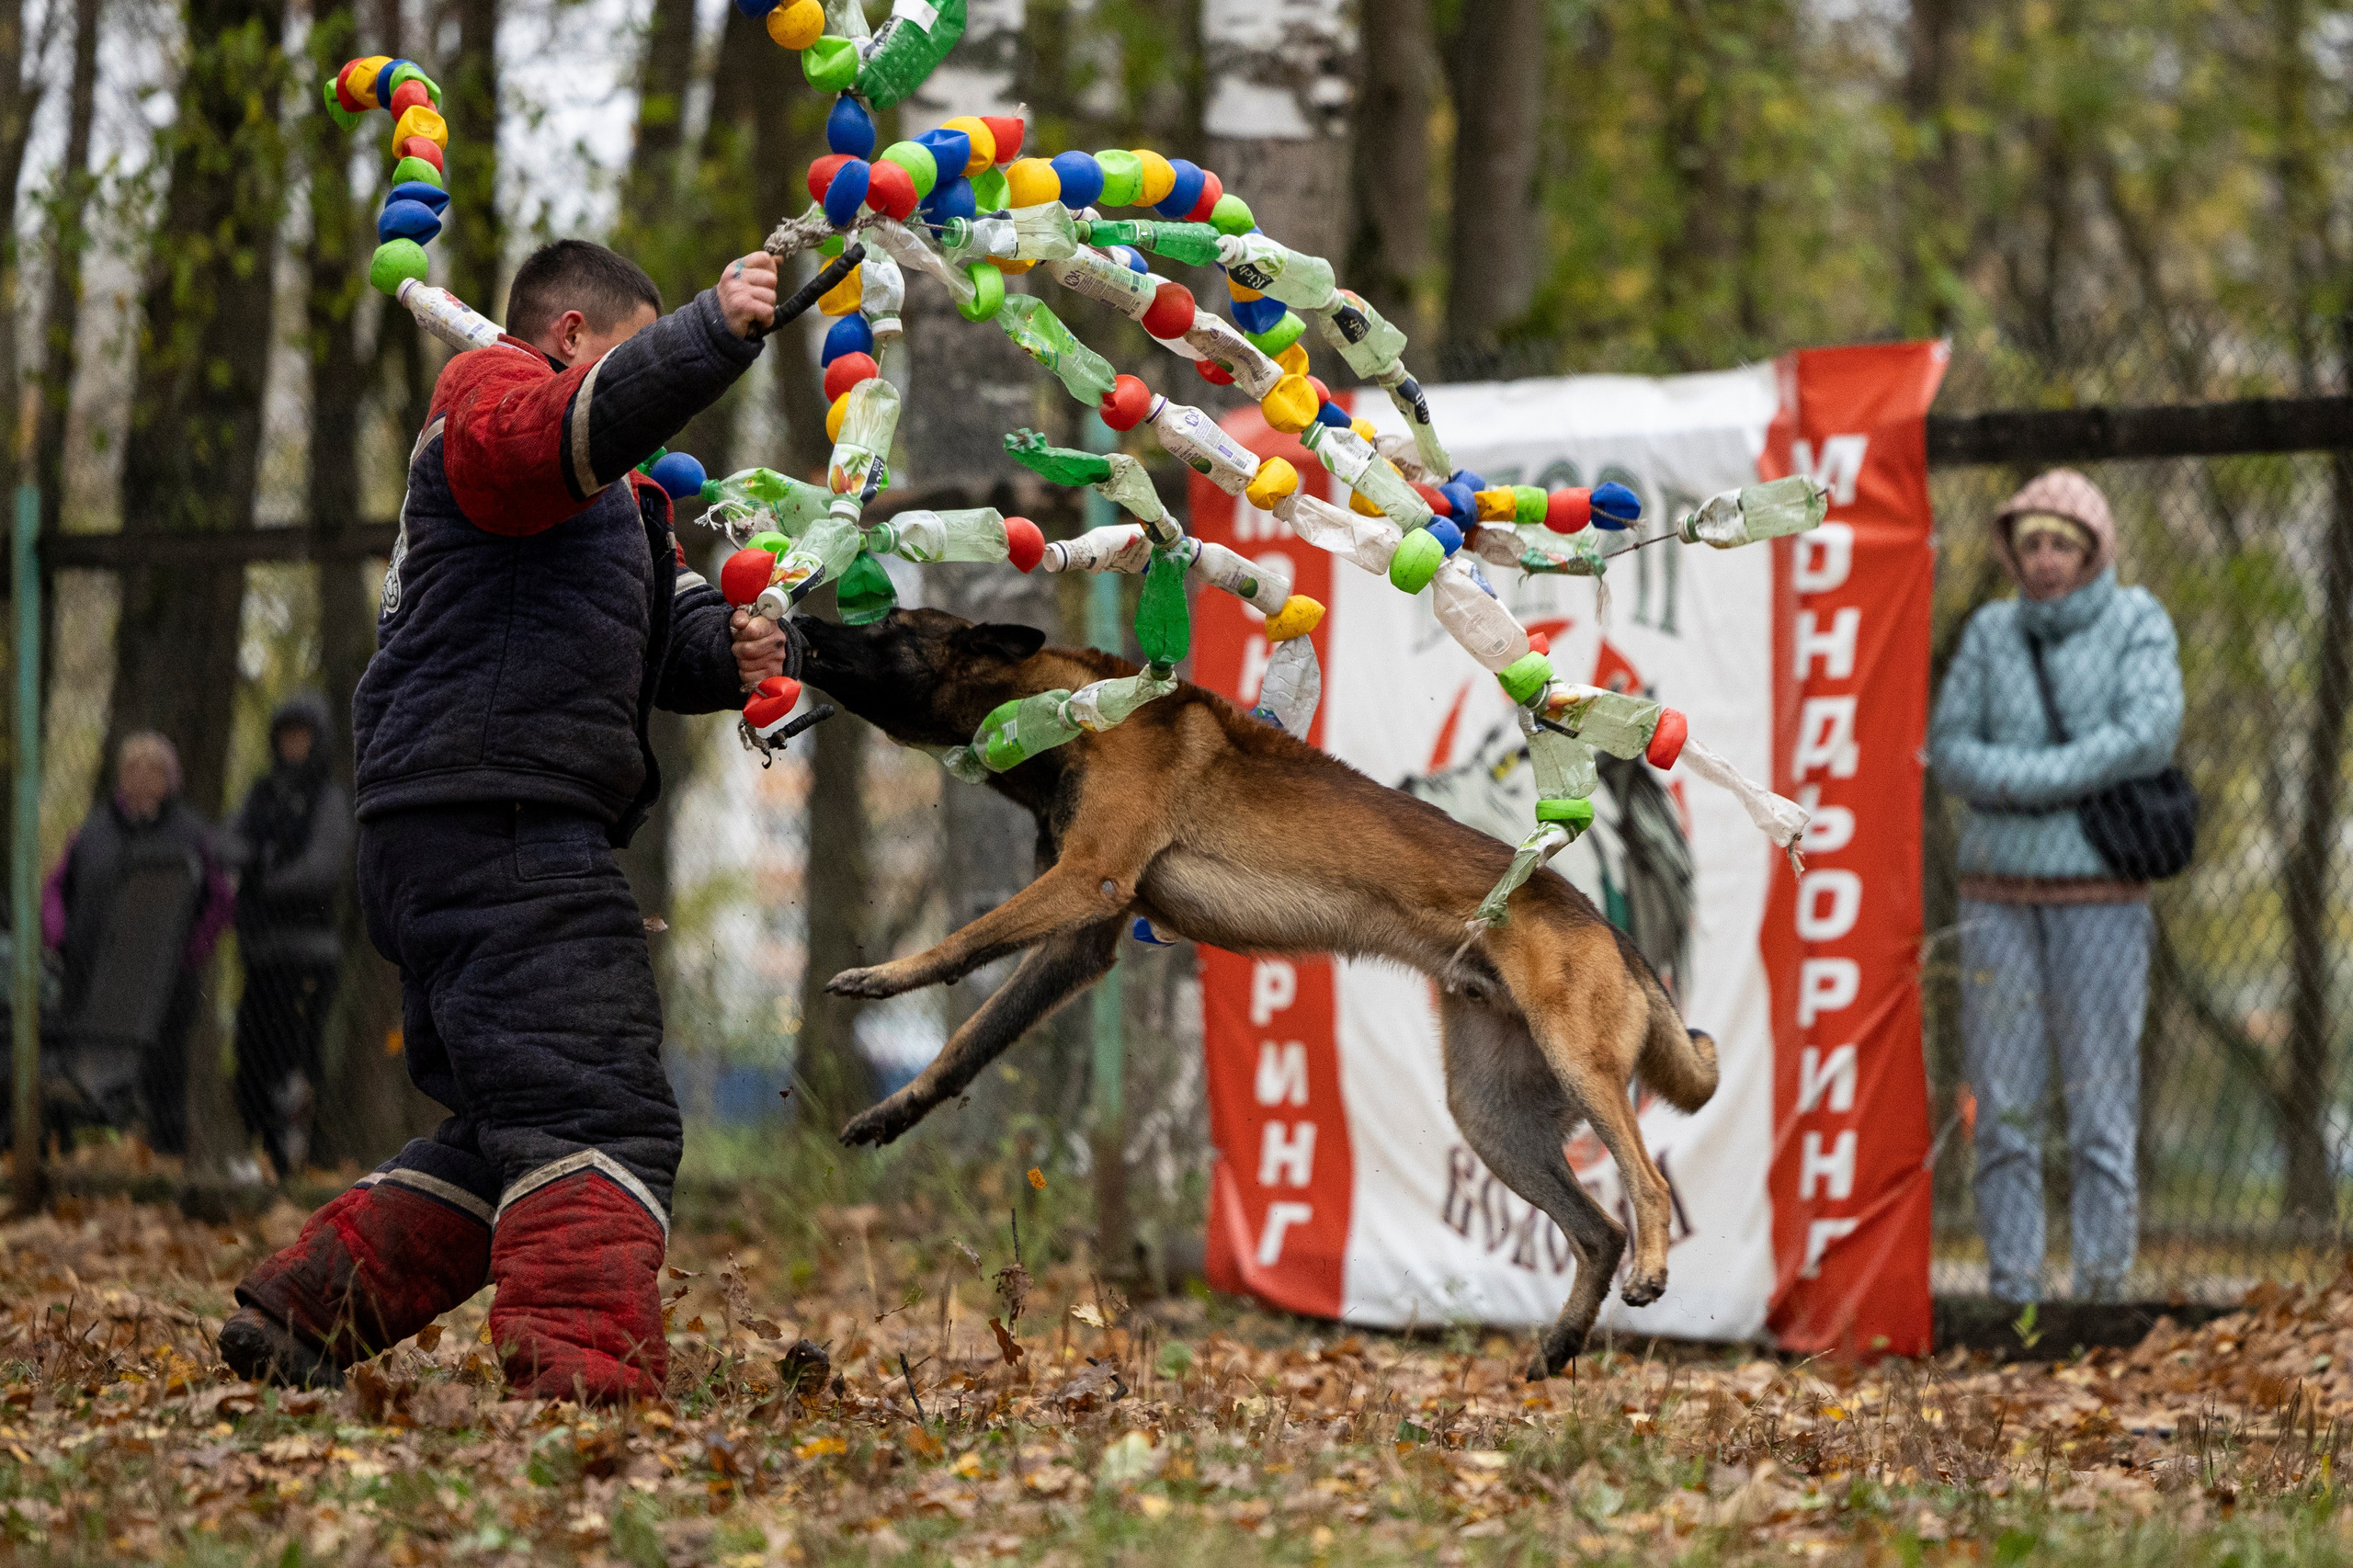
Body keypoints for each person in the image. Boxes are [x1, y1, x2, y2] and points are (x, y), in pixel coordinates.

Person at [218, 240, 790, 1401]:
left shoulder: (616, 502)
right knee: (599, 1108)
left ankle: (305, 1313)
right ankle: (583, 1391)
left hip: (475, 820)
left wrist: (738, 651)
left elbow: (654, 633)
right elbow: (555, 440)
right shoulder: (487, 398)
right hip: (498, 818)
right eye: (632, 354)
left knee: (517, 1120)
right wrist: (711, 328)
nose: (639, 405)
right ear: (571, 339)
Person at [1929, 469, 2184, 1303]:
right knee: (2002, 1108)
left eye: (2061, 544)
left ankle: (2105, 1292)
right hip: (1996, 898)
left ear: (2092, 550)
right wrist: (2066, 777)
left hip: (2102, 902)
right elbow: (1952, 750)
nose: (2044, 559)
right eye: (2031, 542)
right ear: (2013, 549)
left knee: (2101, 1105)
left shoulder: (2137, 621)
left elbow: (2148, 735)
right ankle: (2016, 1297)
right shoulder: (1991, 635)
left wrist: (2026, 779)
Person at [41, 732, 234, 1153]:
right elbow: (56, 889)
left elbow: (220, 900)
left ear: (171, 780)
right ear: (120, 777)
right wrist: (59, 936)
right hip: (91, 979)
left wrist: (190, 952)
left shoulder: (192, 832)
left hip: (164, 984)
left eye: (155, 771)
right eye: (133, 769)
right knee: (74, 1072)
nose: (144, 779)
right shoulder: (91, 831)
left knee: (166, 1076)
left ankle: (166, 1158)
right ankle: (72, 1154)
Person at [224, 695, 353, 1179]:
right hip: (259, 953)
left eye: (302, 736)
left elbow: (320, 869)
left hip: (308, 955)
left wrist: (263, 873)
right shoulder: (261, 793)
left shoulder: (329, 797)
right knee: (251, 1058)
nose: (293, 745)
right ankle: (259, 1157)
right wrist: (264, 861)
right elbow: (225, 843)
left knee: (297, 1061)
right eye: (286, 735)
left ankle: (294, 1162)